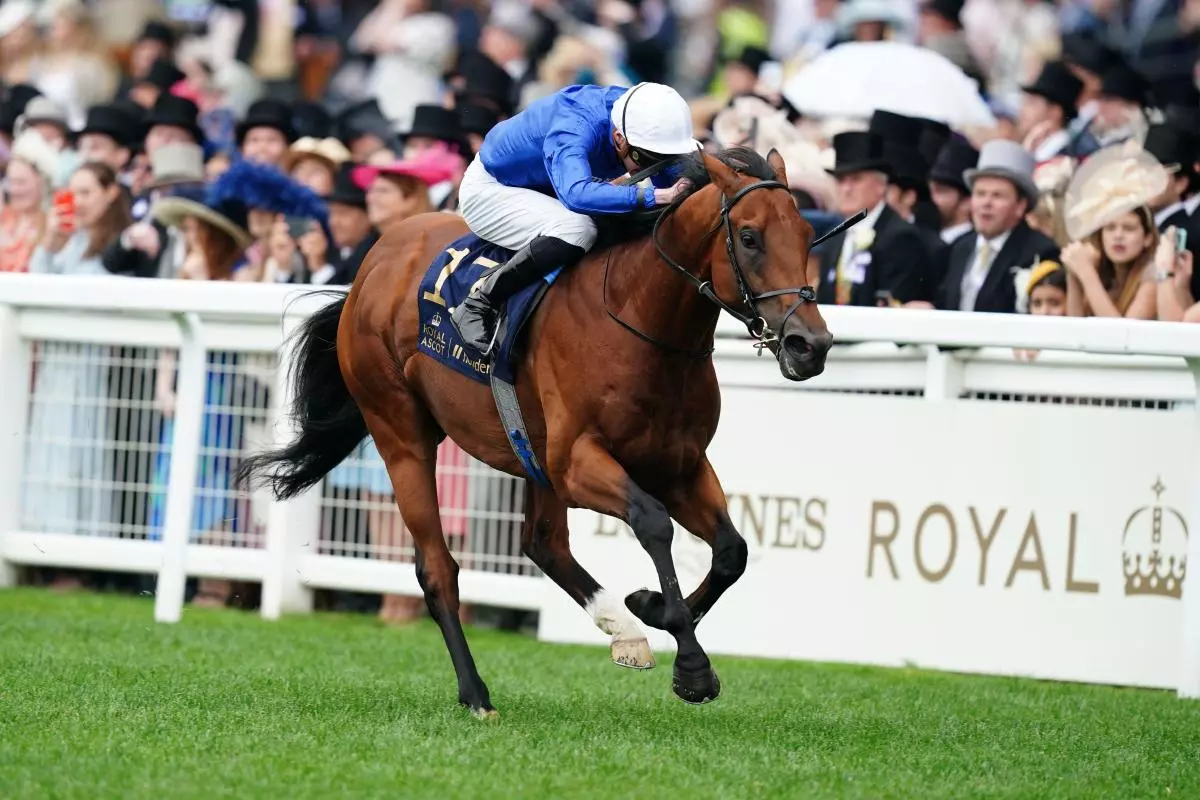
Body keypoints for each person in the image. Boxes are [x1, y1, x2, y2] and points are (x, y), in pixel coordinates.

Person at [451, 81, 697, 356]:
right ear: (619, 139)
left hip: (547, 188)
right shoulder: (576, 125)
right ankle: (479, 303)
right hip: (493, 188)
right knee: (578, 228)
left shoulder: (645, 118)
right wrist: (656, 196)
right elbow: (576, 194)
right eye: (649, 159)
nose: (655, 168)